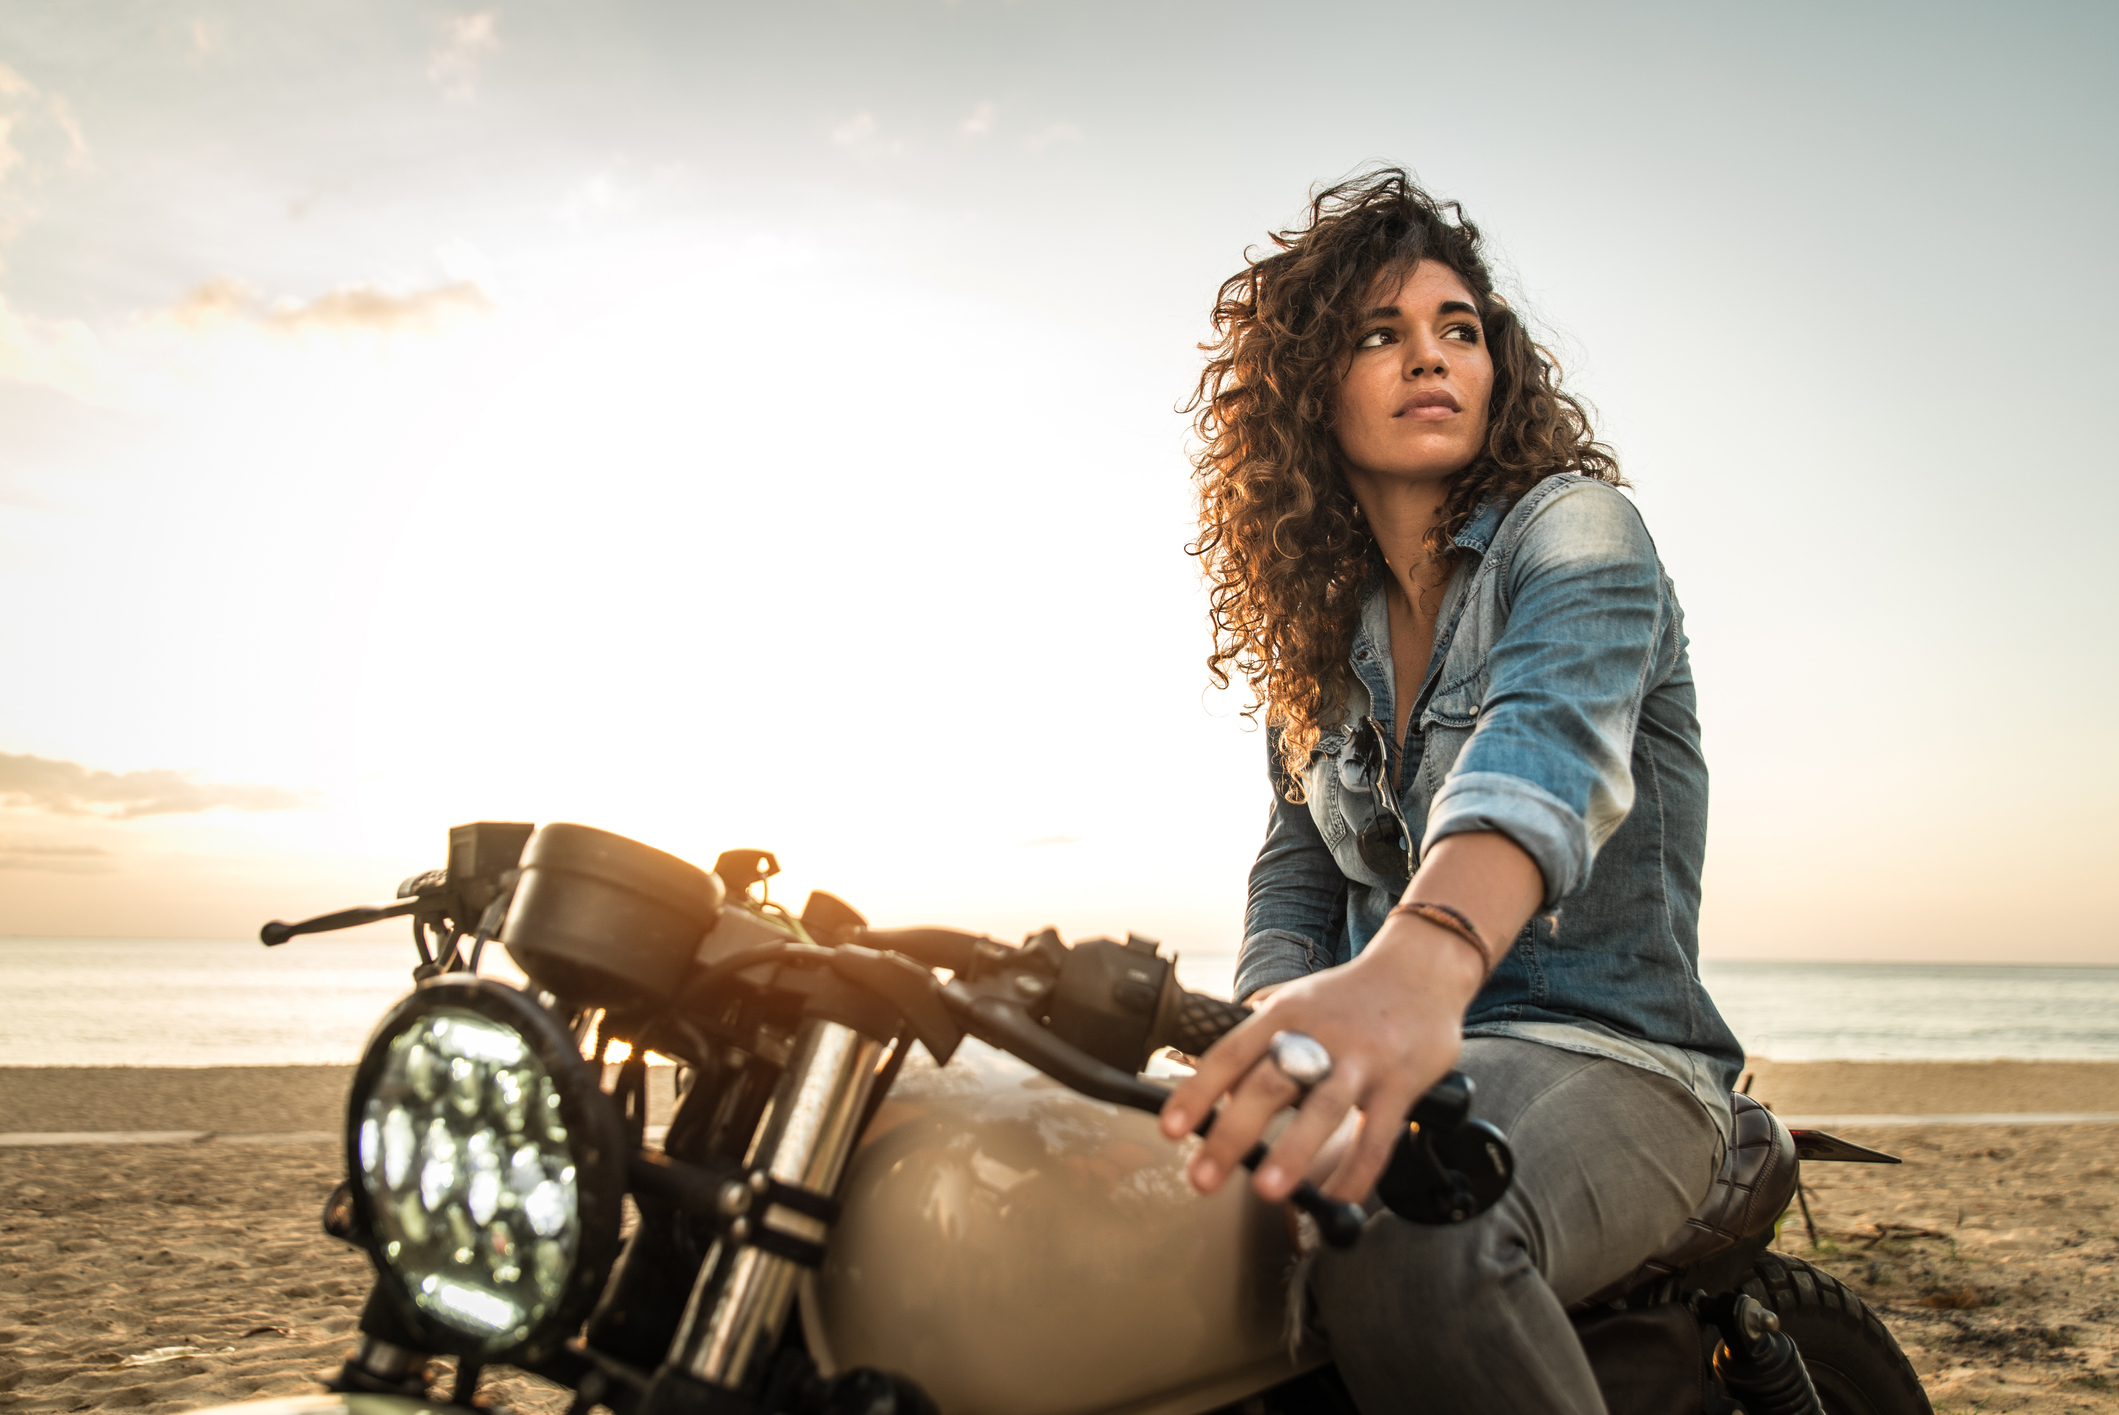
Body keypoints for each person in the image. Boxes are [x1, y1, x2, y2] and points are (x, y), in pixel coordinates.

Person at [1158, 168, 1746, 1414]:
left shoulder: (1575, 531)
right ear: (1309, 394)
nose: (1431, 357)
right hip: (1399, 1051)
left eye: (1458, 330)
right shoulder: (1324, 638)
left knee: (1408, 1231)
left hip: (1611, 1052)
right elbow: (1297, 865)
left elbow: (1545, 749)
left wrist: (1419, 958)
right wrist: (1277, 1013)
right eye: (1381, 334)